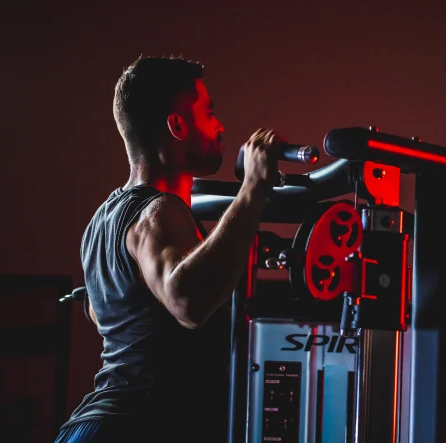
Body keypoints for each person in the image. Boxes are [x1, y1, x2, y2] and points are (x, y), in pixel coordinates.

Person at [55, 55, 283, 442]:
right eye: (208, 113)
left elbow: (99, 310)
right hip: (131, 426)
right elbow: (187, 301)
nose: (219, 125)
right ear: (177, 126)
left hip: (90, 426)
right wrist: (252, 190)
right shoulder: (159, 210)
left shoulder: (101, 221)